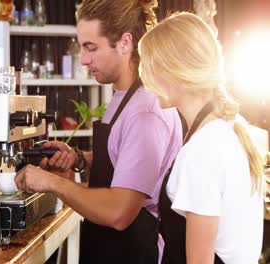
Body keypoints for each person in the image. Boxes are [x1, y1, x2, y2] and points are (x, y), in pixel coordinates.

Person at [15, 0, 183, 263]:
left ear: (125, 43)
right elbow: (125, 162)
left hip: (134, 254)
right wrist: (81, 158)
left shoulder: (145, 110)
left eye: (90, 48)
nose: (82, 59)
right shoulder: (123, 95)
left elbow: (119, 212)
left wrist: (52, 182)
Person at [138, 12, 266, 263]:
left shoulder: (202, 150)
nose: (146, 77)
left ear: (175, 72)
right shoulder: (230, 126)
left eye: (150, 66)